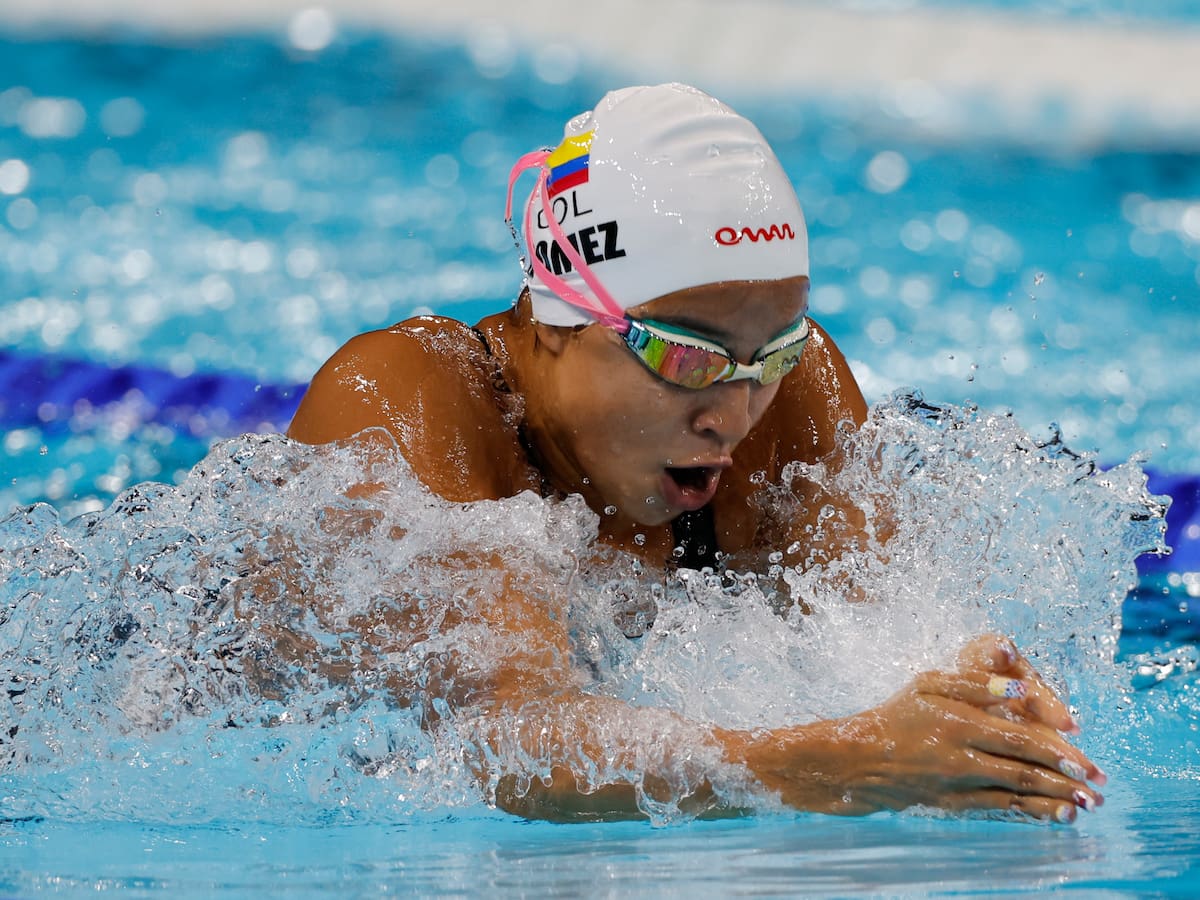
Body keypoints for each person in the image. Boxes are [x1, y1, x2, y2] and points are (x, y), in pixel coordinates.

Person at [287, 83, 1106, 822]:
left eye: (773, 355)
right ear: (561, 314)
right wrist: (838, 765)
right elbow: (510, 744)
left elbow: (878, 641)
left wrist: (968, 700)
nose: (733, 416)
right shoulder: (404, 402)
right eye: (686, 357)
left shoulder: (794, 394)